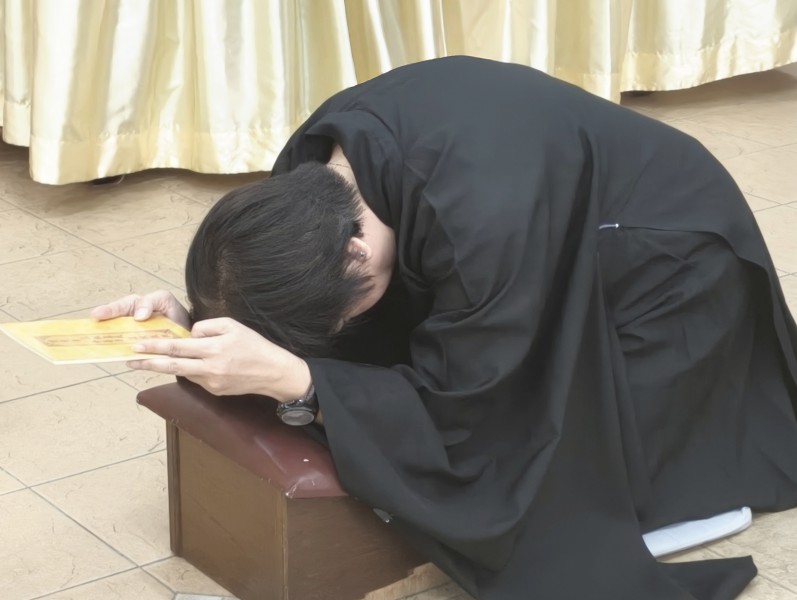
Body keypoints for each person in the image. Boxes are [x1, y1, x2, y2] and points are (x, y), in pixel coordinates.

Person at [93, 57, 797, 600]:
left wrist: (303, 382)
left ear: (356, 255)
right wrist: (200, 318)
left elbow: (476, 411)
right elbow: (289, 288)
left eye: (332, 316)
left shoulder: (480, 226)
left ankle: (684, 498)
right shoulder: (316, 163)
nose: (331, 331)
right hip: (533, 205)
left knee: (568, 477)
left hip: (661, 256)